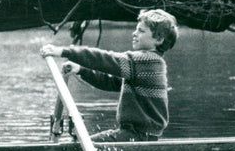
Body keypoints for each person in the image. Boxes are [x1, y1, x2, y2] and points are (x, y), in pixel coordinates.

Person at [40, 9, 179, 142]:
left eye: (141, 31)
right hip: (134, 134)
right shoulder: (147, 63)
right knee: (83, 145)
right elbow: (109, 82)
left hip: (138, 136)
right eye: (136, 29)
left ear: (159, 39)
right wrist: (81, 70)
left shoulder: (146, 61)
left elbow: (105, 59)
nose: (134, 33)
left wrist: (65, 51)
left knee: (77, 150)